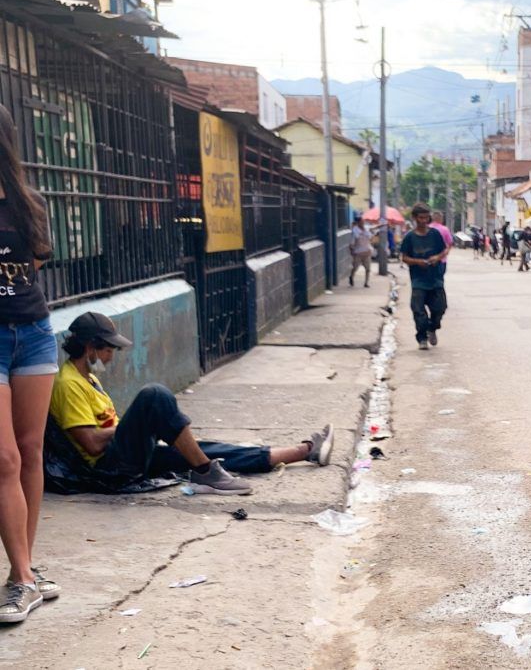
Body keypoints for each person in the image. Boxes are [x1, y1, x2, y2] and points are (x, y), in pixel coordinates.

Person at [47, 313, 334, 498]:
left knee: (202, 449)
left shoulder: (89, 378)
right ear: (90, 347)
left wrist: (140, 427)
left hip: (122, 454)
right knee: (154, 395)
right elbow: (92, 444)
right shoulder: (68, 383)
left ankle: (304, 451)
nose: (112, 355)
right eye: (109, 348)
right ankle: (205, 472)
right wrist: (136, 425)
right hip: (108, 468)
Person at [0, 104, 58, 624]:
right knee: (4, 460)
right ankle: (21, 580)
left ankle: (27, 570)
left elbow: (35, 264)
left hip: (34, 335)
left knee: (30, 450)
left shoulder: (27, 202)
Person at [400, 203, 449, 350]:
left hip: (435, 278)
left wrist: (437, 257)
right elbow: (404, 257)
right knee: (418, 310)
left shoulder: (435, 234)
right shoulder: (409, 237)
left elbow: (445, 250)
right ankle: (422, 337)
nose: (423, 220)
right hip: (418, 280)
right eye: (420, 217)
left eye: (426, 217)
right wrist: (417, 262)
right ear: (414, 218)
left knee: (440, 308)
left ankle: (432, 328)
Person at [348, 215, 373, 288]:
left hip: (367, 251)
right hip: (358, 252)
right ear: (358, 222)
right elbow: (351, 243)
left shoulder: (366, 229)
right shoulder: (355, 231)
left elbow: (370, 236)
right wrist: (352, 251)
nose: (363, 223)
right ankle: (351, 277)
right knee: (355, 267)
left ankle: (366, 283)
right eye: (362, 221)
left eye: (363, 221)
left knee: (368, 269)